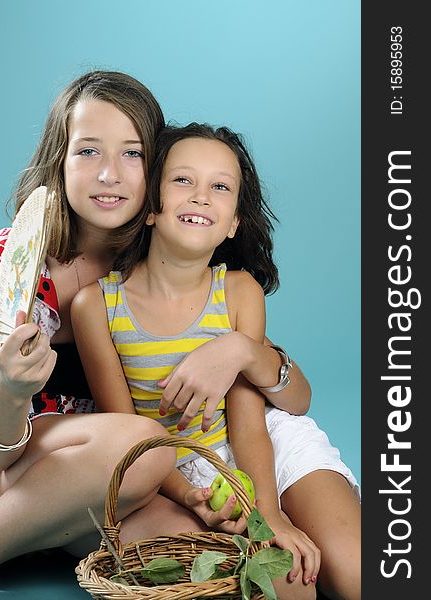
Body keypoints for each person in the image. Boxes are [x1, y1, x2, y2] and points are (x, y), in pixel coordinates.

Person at [0, 70, 354, 598]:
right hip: (23, 456)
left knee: (245, 570)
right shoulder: (18, 263)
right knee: (141, 442)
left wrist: (237, 352)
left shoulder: (162, 249)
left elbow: (272, 392)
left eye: (132, 154)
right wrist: (12, 388)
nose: (109, 175)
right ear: (59, 161)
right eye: (88, 152)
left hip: (143, 473)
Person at [71, 123, 361, 600]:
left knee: (355, 578)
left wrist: (268, 513)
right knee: (290, 587)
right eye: (183, 181)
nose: (201, 197)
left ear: (232, 224)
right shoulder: (96, 307)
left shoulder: (240, 292)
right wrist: (192, 497)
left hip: (263, 448)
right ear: (149, 209)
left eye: (220, 187)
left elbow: (248, 423)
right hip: (180, 470)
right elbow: (125, 432)